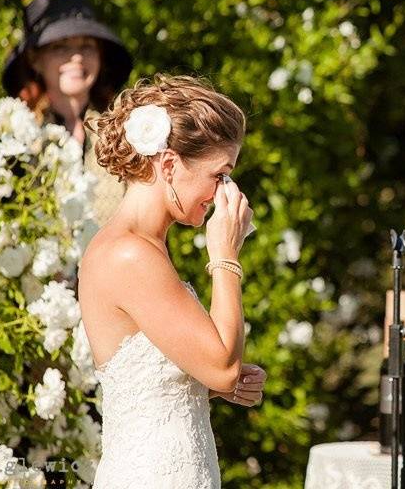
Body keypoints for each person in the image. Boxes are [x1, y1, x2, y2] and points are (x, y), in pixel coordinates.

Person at [77, 74, 266, 488]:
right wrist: (225, 254)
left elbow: (158, 387)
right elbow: (224, 366)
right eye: (219, 175)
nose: (223, 193)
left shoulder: (145, 247)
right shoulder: (129, 254)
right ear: (167, 165)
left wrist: (209, 389)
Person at [2, 0, 133, 226]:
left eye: (87, 46)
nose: (77, 58)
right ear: (35, 59)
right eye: (60, 47)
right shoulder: (17, 135)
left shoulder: (123, 129)